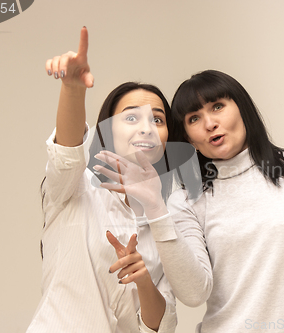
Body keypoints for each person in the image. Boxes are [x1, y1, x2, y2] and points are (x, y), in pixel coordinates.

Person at [95, 69, 284, 332]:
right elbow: (194, 293)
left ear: (242, 109)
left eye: (217, 106)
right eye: (194, 118)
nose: (210, 123)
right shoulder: (186, 201)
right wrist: (157, 210)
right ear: (187, 137)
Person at [27, 27, 177, 333]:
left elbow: (159, 326)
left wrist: (144, 278)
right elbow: (67, 155)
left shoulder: (166, 217)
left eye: (157, 119)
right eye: (132, 117)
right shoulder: (77, 187)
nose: (147, 128)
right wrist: (73, 88)